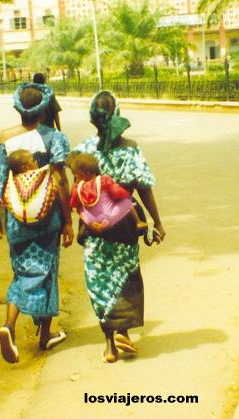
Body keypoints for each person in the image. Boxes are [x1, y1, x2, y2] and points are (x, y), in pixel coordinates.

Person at [71, 91, 165, 363]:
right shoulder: (131, 147)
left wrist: (81, 220)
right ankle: (123, 330)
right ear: (117, 115)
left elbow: (77, 190)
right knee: (124, 274)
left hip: (94, 225)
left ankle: (110, 344)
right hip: (125, 221)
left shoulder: (84, 150)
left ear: (92, 118)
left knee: (100, 278)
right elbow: (143, 187)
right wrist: (157, 221)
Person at [0, 82, 74, 364]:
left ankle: (9, 325)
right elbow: (60, 180)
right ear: (43, 108)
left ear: (18, 108)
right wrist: (67, 221)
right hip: (47, 218)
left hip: (17, 218)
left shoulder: (5, 137)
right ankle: (46, 334)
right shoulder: (55, 138)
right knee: (47, 271)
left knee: (22, 272)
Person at [68, 152, 148, 233]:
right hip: (109, 219)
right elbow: (118, 192)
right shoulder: (104, 180)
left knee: (81, 208)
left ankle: (93, 224)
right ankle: (138, 222)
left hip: (92, 220)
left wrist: (74, 207)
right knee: (127, 201)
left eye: (77, 177)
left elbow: (74, 204)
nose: (76, 179)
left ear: (85, 174)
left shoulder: (77, 187)